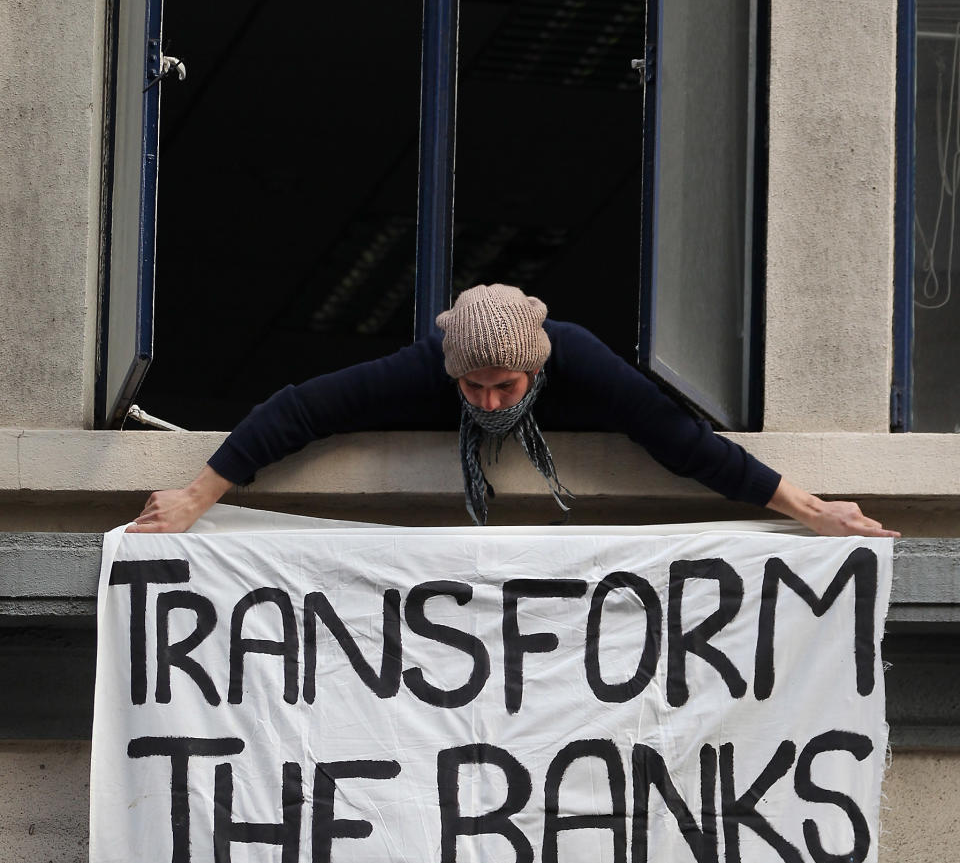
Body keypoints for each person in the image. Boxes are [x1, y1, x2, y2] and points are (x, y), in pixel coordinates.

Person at [128, 283, 897, 538]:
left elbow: (687, 445)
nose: (490, 401)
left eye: (507, 387)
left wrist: (810, 510)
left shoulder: (583, 360)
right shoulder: (424, 369)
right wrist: (197, 498)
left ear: (538, 367)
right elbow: (300, 410)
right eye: (474, 389)